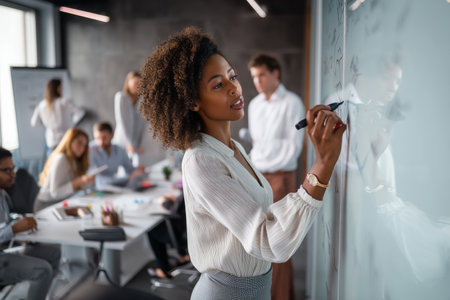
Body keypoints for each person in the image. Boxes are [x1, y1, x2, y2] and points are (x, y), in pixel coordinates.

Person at [139, 26, 346, 299]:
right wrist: (323, 164)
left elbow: (264, 221)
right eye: (218, 84)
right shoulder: (201, 160)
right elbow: (269, 241)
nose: (234, 88)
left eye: (232, 76)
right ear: (193, 102)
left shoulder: (233, 148)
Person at [240, 53, 305, 300]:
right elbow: (258, 144)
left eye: (262, 75)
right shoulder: (255, 105)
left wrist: (266, 165)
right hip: (257, 175)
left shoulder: (292, 103)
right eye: (254, 76)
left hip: (280, 177)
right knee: (257, 243)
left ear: (275, 73)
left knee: (278, 244)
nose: (257, 81)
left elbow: (293, 148)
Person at [0, 147, 61, 300]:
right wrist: (14, 229)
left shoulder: (3, 193)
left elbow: (3, 222)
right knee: (43, 270)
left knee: (53, 253)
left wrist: (17, 222)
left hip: (4, 251)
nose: (13, 175)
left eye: (13, 169)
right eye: (7, 170)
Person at [34, 128, 94, 211]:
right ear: (70, 141)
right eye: (79, 143)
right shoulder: (61, 159)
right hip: (46, 205)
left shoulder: (75, 160)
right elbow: (55, 193)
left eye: (85, 145)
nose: (82, 148)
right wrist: (76, 183)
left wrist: (86, 181)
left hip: (61, 202)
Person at [30, 78, 85, 157]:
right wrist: (72, 123)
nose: (61, 89)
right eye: (60, 86)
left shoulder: (42, 105)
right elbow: (80, 112)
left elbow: (34, 123)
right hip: (66, 139)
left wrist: (47, 123)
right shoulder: (63, 102)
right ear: (58, 88)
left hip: (52, 141)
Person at [89, 121, 145, 189]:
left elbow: (130, 169)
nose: (101, 142)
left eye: (104, 138)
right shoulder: (90, 150)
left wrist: (137, 170)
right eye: (97, 138)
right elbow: (99, 179)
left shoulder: (119, 150)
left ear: (112, 135)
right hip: (99, 189)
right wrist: (128, 177)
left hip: (116, 188)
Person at [147, 192, 190, 279]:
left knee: (152, 230)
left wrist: (164, 202)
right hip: (200, 233)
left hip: (188, 236)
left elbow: (175, 210)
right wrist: (178, 200)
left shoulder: (194, 179)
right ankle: (184, 256)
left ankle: (163, 269)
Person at [113, 71, 147, 166]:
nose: (137, 86)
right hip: (123, 140)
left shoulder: (142, 101)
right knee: (121, 168)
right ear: (128, 82)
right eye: (135, 83)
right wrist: (129, 143)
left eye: (139, 84)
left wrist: (140, 144)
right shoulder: (121, 97)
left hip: (135, 142)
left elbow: (143, 124)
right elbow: (122, 121)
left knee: (136, 169)